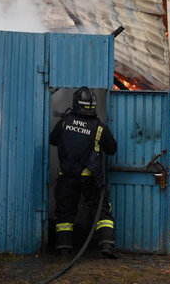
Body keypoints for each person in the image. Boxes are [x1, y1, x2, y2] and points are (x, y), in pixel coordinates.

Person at [49, 86, 118, 258]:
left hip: (68, 177)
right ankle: (107, 246)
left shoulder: (65, 122)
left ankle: (64, 248)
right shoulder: (99, 127)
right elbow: (112, 149)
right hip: (91, 178)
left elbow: (53, 140)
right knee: (102, 211)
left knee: (65, 212)